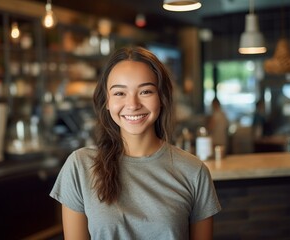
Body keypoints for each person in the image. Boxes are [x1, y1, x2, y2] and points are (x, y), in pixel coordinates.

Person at [50, 46, 221, 240]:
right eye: (119, 93)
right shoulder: (79, 166)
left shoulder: (193, 171)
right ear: (107, 101)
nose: (132, 104)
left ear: (162, 98)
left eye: (145, 91)